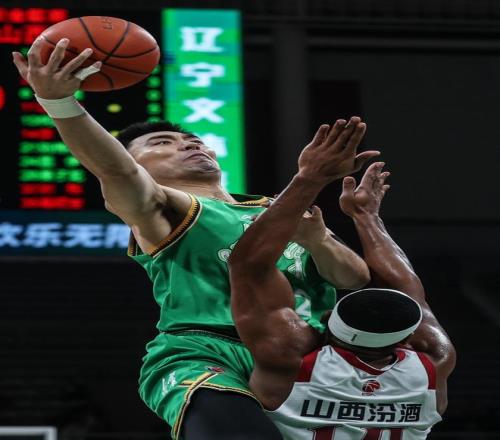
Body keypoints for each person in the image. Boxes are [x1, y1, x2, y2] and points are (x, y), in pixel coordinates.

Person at [12, 39, 376, 439]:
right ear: (137, 164)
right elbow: (116, 171)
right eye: (161, 143)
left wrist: (319, 240)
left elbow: (353, 278)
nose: (187, 144)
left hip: (311, 357)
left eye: (193, 141)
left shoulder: (278, 208)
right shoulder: (163, 209)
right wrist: (59, 103)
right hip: (206, 352)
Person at [228, 140, 457, 438]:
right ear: (408, 338)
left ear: (325, 327)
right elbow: (407, 289)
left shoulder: (292, 358)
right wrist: (366, 217)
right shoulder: (434, 363)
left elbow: (249, 265)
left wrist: (311, 178)